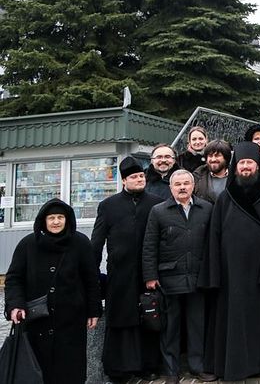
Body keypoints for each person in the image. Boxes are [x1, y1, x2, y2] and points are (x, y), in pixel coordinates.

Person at [198, 142, 260, 381]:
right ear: (235, 167)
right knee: (234, 319)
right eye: (242, 163)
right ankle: (235, 365)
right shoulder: (225, 198)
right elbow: (215, 236)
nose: (245, 167)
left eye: (249, 163)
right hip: (231, 272)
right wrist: (215, 271)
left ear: (257, 166)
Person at [5, 199, 101, 384]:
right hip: (36, 322)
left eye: (60, 217)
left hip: (71, 320)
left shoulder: (80, 243)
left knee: (70, 370)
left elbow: (91, 279)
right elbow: (14, 278)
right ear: (43, 220)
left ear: (67, 220)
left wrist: (93, 310)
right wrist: (15, 304)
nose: (56, 222)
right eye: (51, 218)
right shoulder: (28, 244)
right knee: (37, 370)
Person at [92, 156, 163, 382]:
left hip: (148, 272)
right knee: (121, 319)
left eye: (141, 176)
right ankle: (119, 369)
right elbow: (97, 241)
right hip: (119, 273)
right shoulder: (108, 206)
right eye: (134, 177)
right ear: (124, 181)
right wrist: (92, 271)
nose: (139, 180)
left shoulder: (155, 203)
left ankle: (148, 365)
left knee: (148, 319)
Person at [142, 170, 216, 383]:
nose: (182, 187)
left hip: (197, 277)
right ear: (171, 187)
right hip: (168, 278)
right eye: (178, 184)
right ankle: (171, 371)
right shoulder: (158, 211)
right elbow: (149, 246)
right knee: (170, 327)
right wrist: (150, 276)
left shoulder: (207, 209)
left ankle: (197, 366)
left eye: (186, 183)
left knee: (197, 325)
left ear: (193, 186)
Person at [193, 139, 232, 204]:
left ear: (226, 158)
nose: (213, 159)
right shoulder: (197, 176)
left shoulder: (236, 176)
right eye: (210, 156)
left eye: (217, 156)